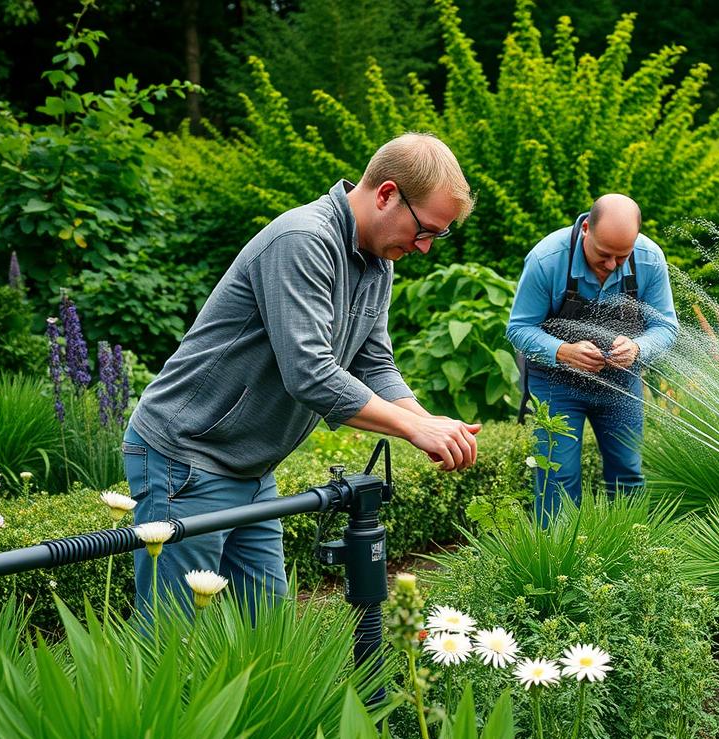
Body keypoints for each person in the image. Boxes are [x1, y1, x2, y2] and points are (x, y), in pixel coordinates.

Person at [123, 132, 480, 617]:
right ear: (387, 194)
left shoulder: (377, 262)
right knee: (173, 640)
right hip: (187, 456)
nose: (425, 248)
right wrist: (414, 428)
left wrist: (426, 420)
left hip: (251, 467)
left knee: (268, 636)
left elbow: (372, 362)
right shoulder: (304, 241)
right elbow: (310, 373)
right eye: (425, 231)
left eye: (438, 235)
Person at [506, 194, 678, 523]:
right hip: (556, 384)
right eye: (603, 255)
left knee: (628, 472)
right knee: (557, 477)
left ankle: (631, 555)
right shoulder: (547, 260)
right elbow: (518, 329)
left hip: (621, 384)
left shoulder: (649, 258)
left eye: (621, 257)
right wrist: (563, 351)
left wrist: (639, 348)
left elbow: (665, 327)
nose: (612, 265)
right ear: (586, 228)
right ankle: (559, 563)